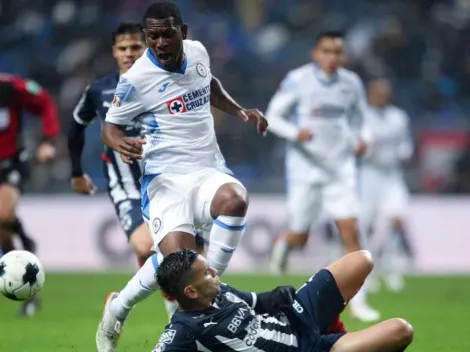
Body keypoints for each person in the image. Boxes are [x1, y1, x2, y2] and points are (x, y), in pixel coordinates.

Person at [95, 2, 268, 351]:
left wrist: (239, 110)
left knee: (235, 200)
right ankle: (118, 307)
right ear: (147, 37)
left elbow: (209, 84)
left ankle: (211, 295)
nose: (160, 43)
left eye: (167, 34)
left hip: (207, 169)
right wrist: (121, 143)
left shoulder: (199, 52)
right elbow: (109, 128)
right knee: (175, 268)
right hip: (166, 182)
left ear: (183, 33)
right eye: (153, 36)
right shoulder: (136, 79)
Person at [266, 31, 379, 322]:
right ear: (316, 53)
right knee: (300, 235)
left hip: (340, 168)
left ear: (344, 55)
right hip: (306, 169)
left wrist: (363, 138)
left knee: (351, 232)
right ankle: (285, 244)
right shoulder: (298, 79)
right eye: (326, 51)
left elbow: (360, 118)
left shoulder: (351, 83)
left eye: (337, 52)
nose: (332, 57)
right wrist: (296, 133)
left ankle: (357, 302)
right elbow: (272, 116)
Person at [152, 249, 414, 352]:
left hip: (296, 315)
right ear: (190, 293)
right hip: (305, 350)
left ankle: (334, 328)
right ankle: (337, 339)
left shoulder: (219, 291)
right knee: (401, 331)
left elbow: (257, 302)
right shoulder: (184, 331)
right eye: (207, 273)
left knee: (362, 260)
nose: (215, 273)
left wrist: (276, 295)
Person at [0, 73, 59, 315]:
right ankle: (25, 253)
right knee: (2, 230)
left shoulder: (9, 87)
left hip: (9, 163)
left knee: (3, 214)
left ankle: (24, 240)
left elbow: (44, 101)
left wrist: (47, 140)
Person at [358, 78, 414, 293]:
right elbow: (357, 144)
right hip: (369, 176)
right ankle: (366, 272)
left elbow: (405, 143)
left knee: (395, 220)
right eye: (378, 92)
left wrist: (404, 153)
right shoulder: (362, 117)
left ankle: (391, 269)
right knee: (366, 224)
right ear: (371, 94)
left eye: (386, 93)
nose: (382, 96)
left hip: (392, 176)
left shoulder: (398, 117)